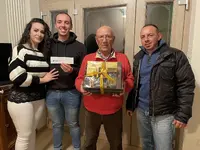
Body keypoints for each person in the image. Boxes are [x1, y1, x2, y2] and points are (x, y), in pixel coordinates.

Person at [126, 24, 195, 150]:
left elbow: (186, 85)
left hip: (164, 114)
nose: (146, 39)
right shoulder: (139, 58)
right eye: (143, 37)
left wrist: (183, 115)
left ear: (159, 36)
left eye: (150, 35)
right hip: (142, 111)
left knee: (164, 147)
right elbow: (136, 84)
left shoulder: (175, 55)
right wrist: (130, 104)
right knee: (147, 145)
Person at [75, 25, 134, 150]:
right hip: (91, 110)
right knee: (89, 143)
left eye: (108, 36)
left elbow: (130, 79)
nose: (104, 40)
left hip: (114, 110)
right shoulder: (88, 59)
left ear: (113, 39)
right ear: (97, 40)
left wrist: (124, 87)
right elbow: (79, 79)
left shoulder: (122, 58)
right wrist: (81, 87)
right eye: (101, 37)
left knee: (116, 143)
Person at [8, 18, 58, 150]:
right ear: (28, 31)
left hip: (39, 98)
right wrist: (42, 80)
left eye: (42, 32)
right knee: (24, 136)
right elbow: (17, 76)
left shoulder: (42, 53)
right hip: (21, 98)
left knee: (31, 134)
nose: (39, 34)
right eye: (35, 30)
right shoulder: (19, 49)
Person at [45, 12, 86, 150]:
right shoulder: (47, 45)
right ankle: (57, 148)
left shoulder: (80, 46)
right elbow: (41, 65)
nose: (63, 25)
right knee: (56, 124)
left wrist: (72, 71)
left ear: (71, 25)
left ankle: (76, 148)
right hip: (51, 92)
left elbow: (85, 70)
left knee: (74, 123)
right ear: (56, 24)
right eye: (60, 22)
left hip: (72, 92)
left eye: (66, 22)